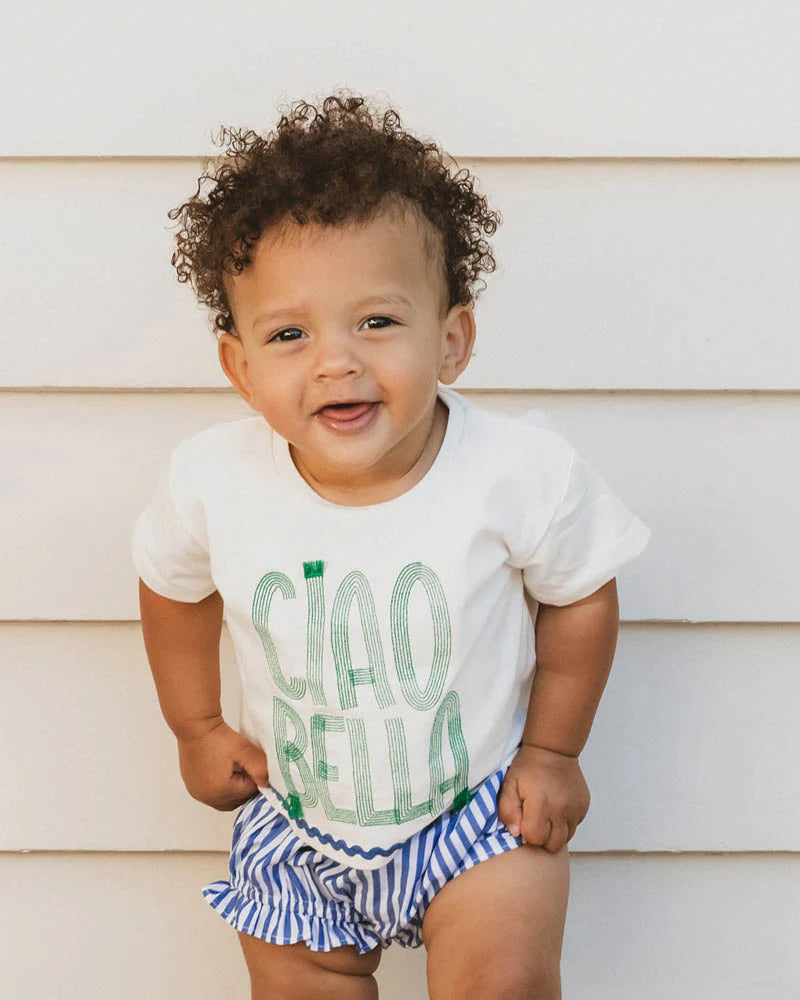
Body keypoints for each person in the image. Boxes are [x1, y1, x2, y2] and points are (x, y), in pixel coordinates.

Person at [132, 91, 651, 1000]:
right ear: (240, 369)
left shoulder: (517, 470)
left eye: (376, 322)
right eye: (289, 334)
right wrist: (197, 724)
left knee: (506, 981)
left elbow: (581, 591)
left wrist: (553, 753)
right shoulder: (213, 480)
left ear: (452, 338)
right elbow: (171, 584)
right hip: (298, 825)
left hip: (479, 815)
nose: (336, 360)